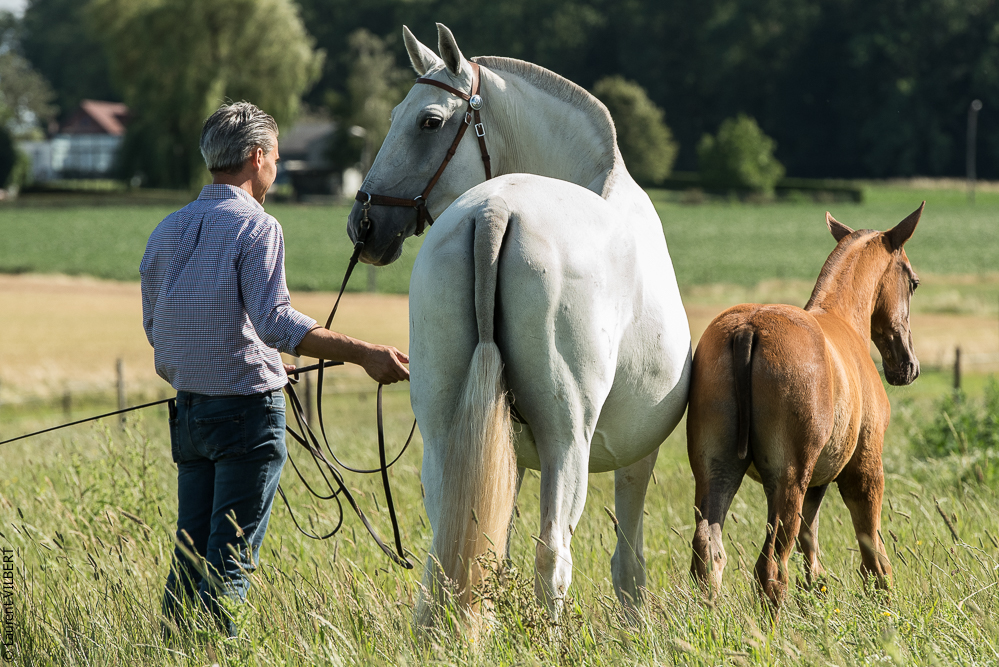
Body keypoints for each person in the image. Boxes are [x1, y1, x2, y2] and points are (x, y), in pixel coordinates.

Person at [140, 101, 409, 636]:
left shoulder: (167, 230)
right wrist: (366, 355)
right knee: (228, 567)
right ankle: (215, 652)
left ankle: (170, 649)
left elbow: (160, 327)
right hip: (245, 420)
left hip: (190, 418)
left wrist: (250, 365)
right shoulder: (257, 227)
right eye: (277, 158)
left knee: (188, 560)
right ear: (257, 157)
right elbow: (275, 322)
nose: (277, 168)